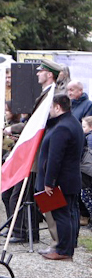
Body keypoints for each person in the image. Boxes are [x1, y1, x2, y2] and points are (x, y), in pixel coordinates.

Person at [39, 94, 85, 260]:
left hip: (61, 180)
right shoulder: (74, 123)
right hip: (71, 177)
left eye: (51, 107)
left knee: (62, 215)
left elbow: (55, 158)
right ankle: (66, 247)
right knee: (69, 214)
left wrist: (49, 182)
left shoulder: (62, 127)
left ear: (58, 107)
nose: (50, 111)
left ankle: (63, 250)